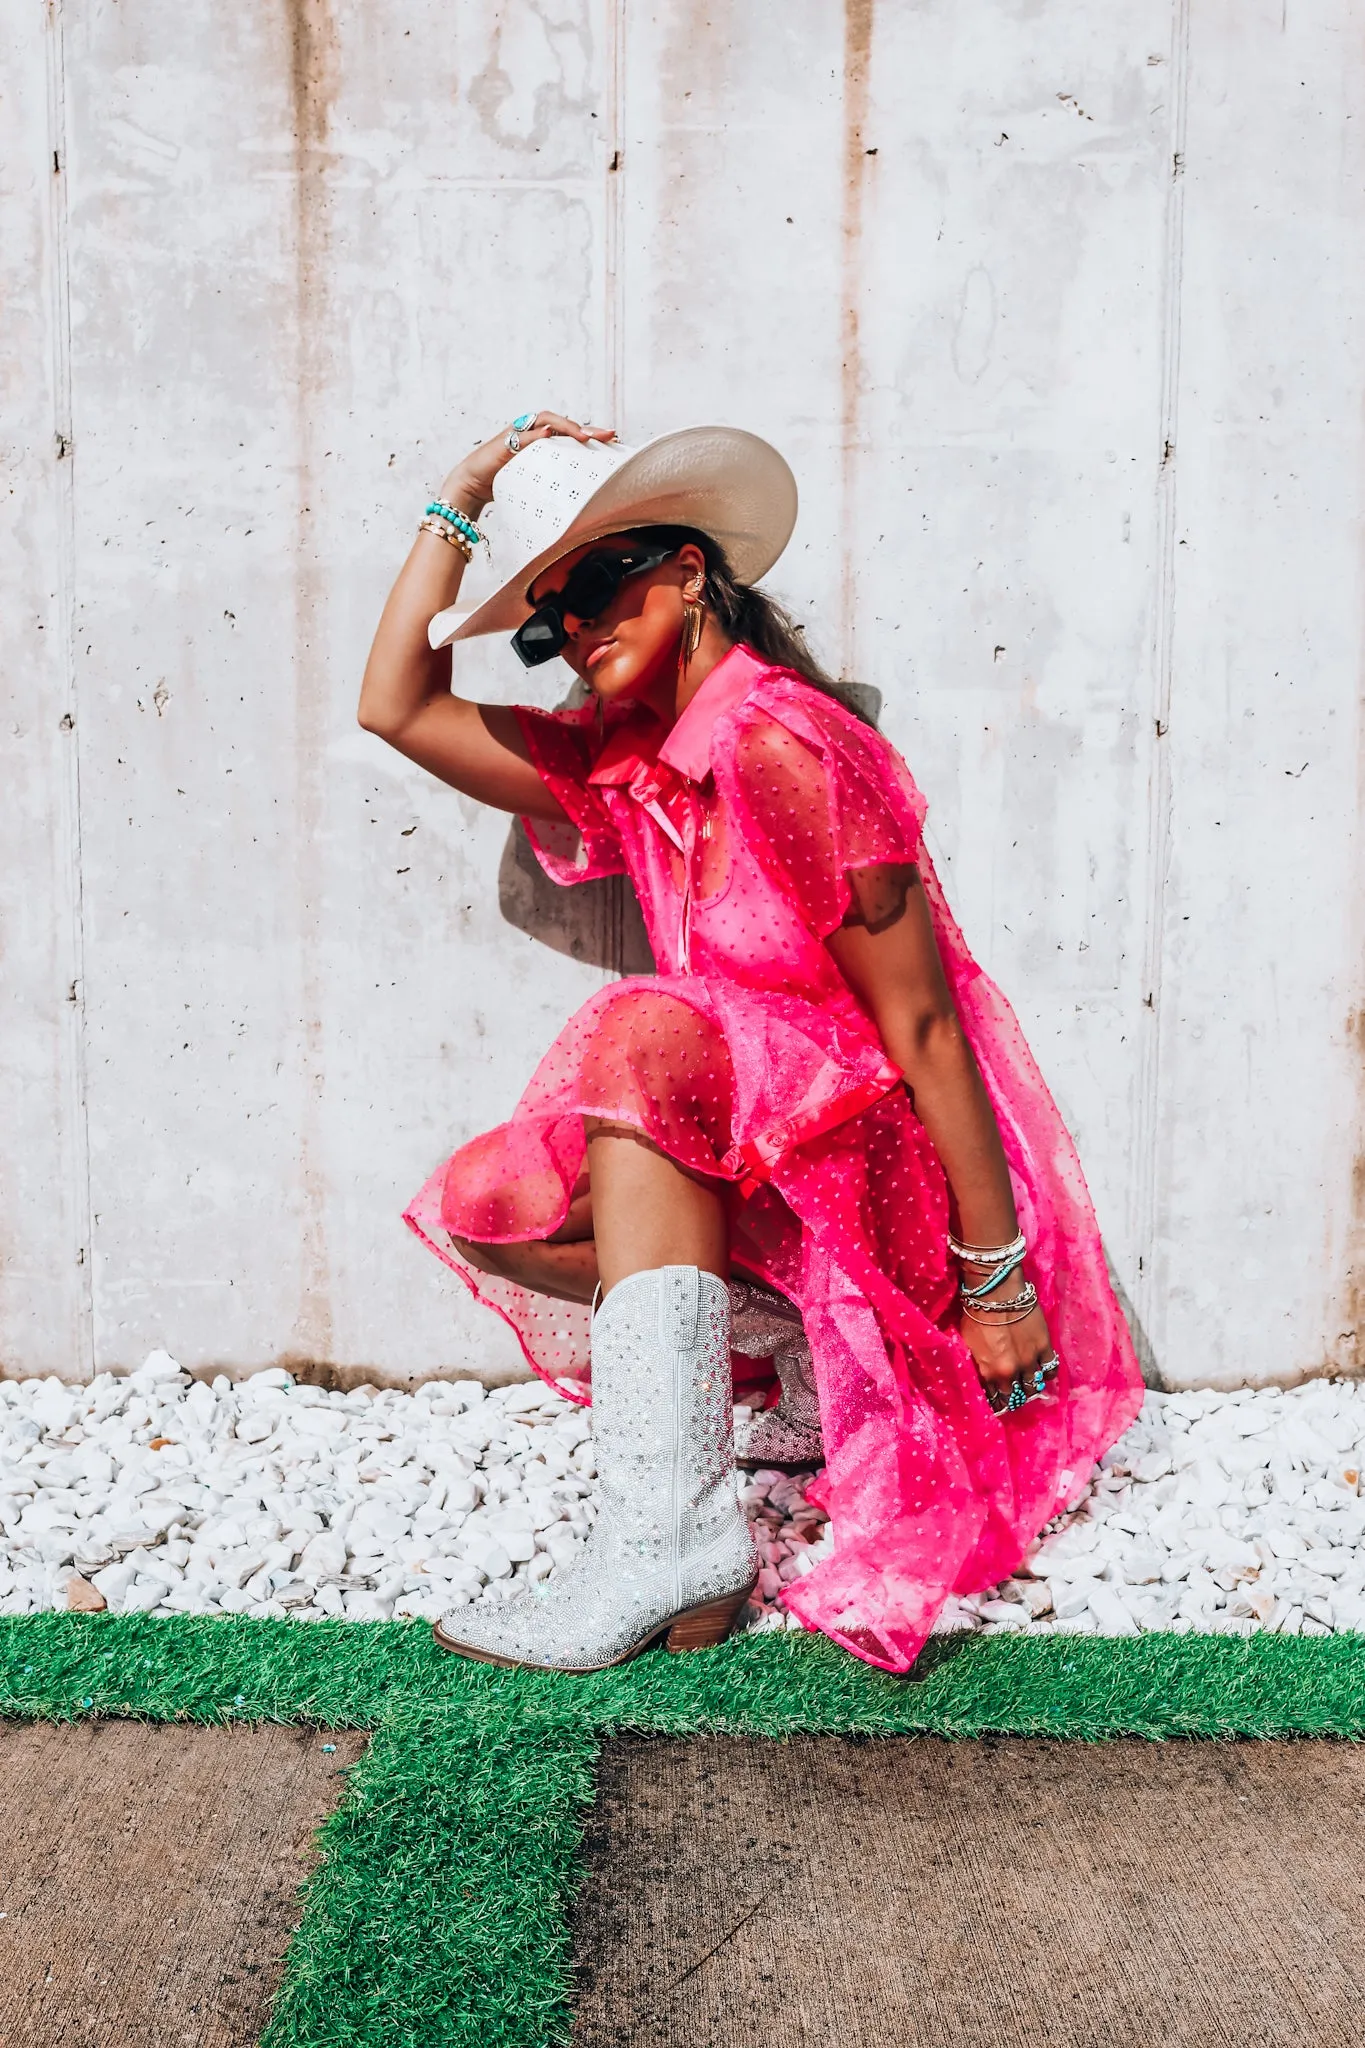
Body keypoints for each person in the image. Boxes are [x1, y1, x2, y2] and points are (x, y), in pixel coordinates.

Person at [358, 411, 1142, 1674]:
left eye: (603, 582)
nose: (579, 629)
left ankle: (665, 1536)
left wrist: (997, 1276)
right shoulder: (633, 764)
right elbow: (395, 704)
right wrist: (458, 492)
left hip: (874, 1166)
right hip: (764, 1152)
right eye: (554, 618)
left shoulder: (777, 739)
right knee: (494, 1202)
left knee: (642, 1028)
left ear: (685, 570)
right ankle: (800, 1355)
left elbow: (925, 1020)